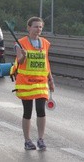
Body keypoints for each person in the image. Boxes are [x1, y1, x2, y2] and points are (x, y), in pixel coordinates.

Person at [11, 17, 55, 151]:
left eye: (40, 27)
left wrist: (50, 79)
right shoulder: (20, 43)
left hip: (41, 83)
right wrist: (23, 55)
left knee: (41, 110)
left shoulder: (45, 43)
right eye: (35, 27)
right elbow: (20, 61)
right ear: (28, 28)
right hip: (26, 84)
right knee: (28, 112)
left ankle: (41, 139)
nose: (38, 29)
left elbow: (46, 63)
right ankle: (27, 140)